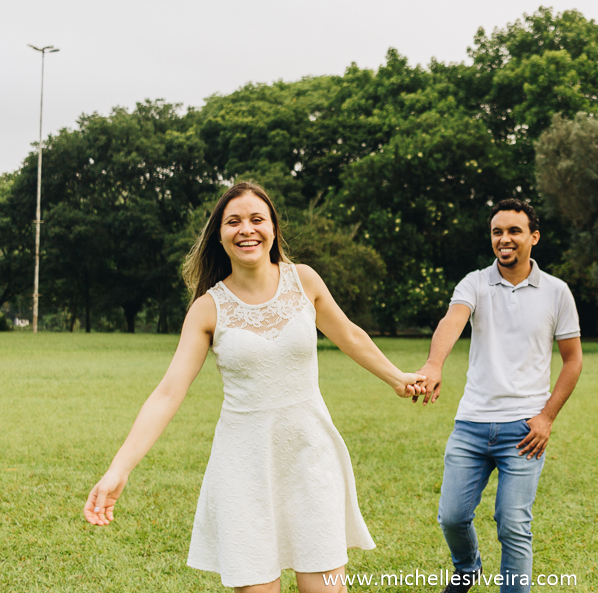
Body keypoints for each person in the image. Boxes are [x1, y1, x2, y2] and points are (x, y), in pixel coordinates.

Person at [83, 182, 425, 593]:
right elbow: (168, 392)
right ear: (220, 235)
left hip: (310, 457)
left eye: (256, 219)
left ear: (274, 229)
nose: (247, 229)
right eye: (234, 221)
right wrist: (118, 469)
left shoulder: (305, 281)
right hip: (243, 468)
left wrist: (397, 378)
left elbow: (349, 335)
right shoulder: (207, 309)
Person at [415, 199, 583, 593]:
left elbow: (573, 361)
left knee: (513, 523)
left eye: (513, 231)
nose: (504, 239)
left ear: (533, 237)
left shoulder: (557, 292)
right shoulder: (474, 282)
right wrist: (434, 364)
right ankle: (467, 568)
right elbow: (452, 320)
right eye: (497, 232)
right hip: (471, 423)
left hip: (524, 429)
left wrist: (546, 418)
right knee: (452, 517)